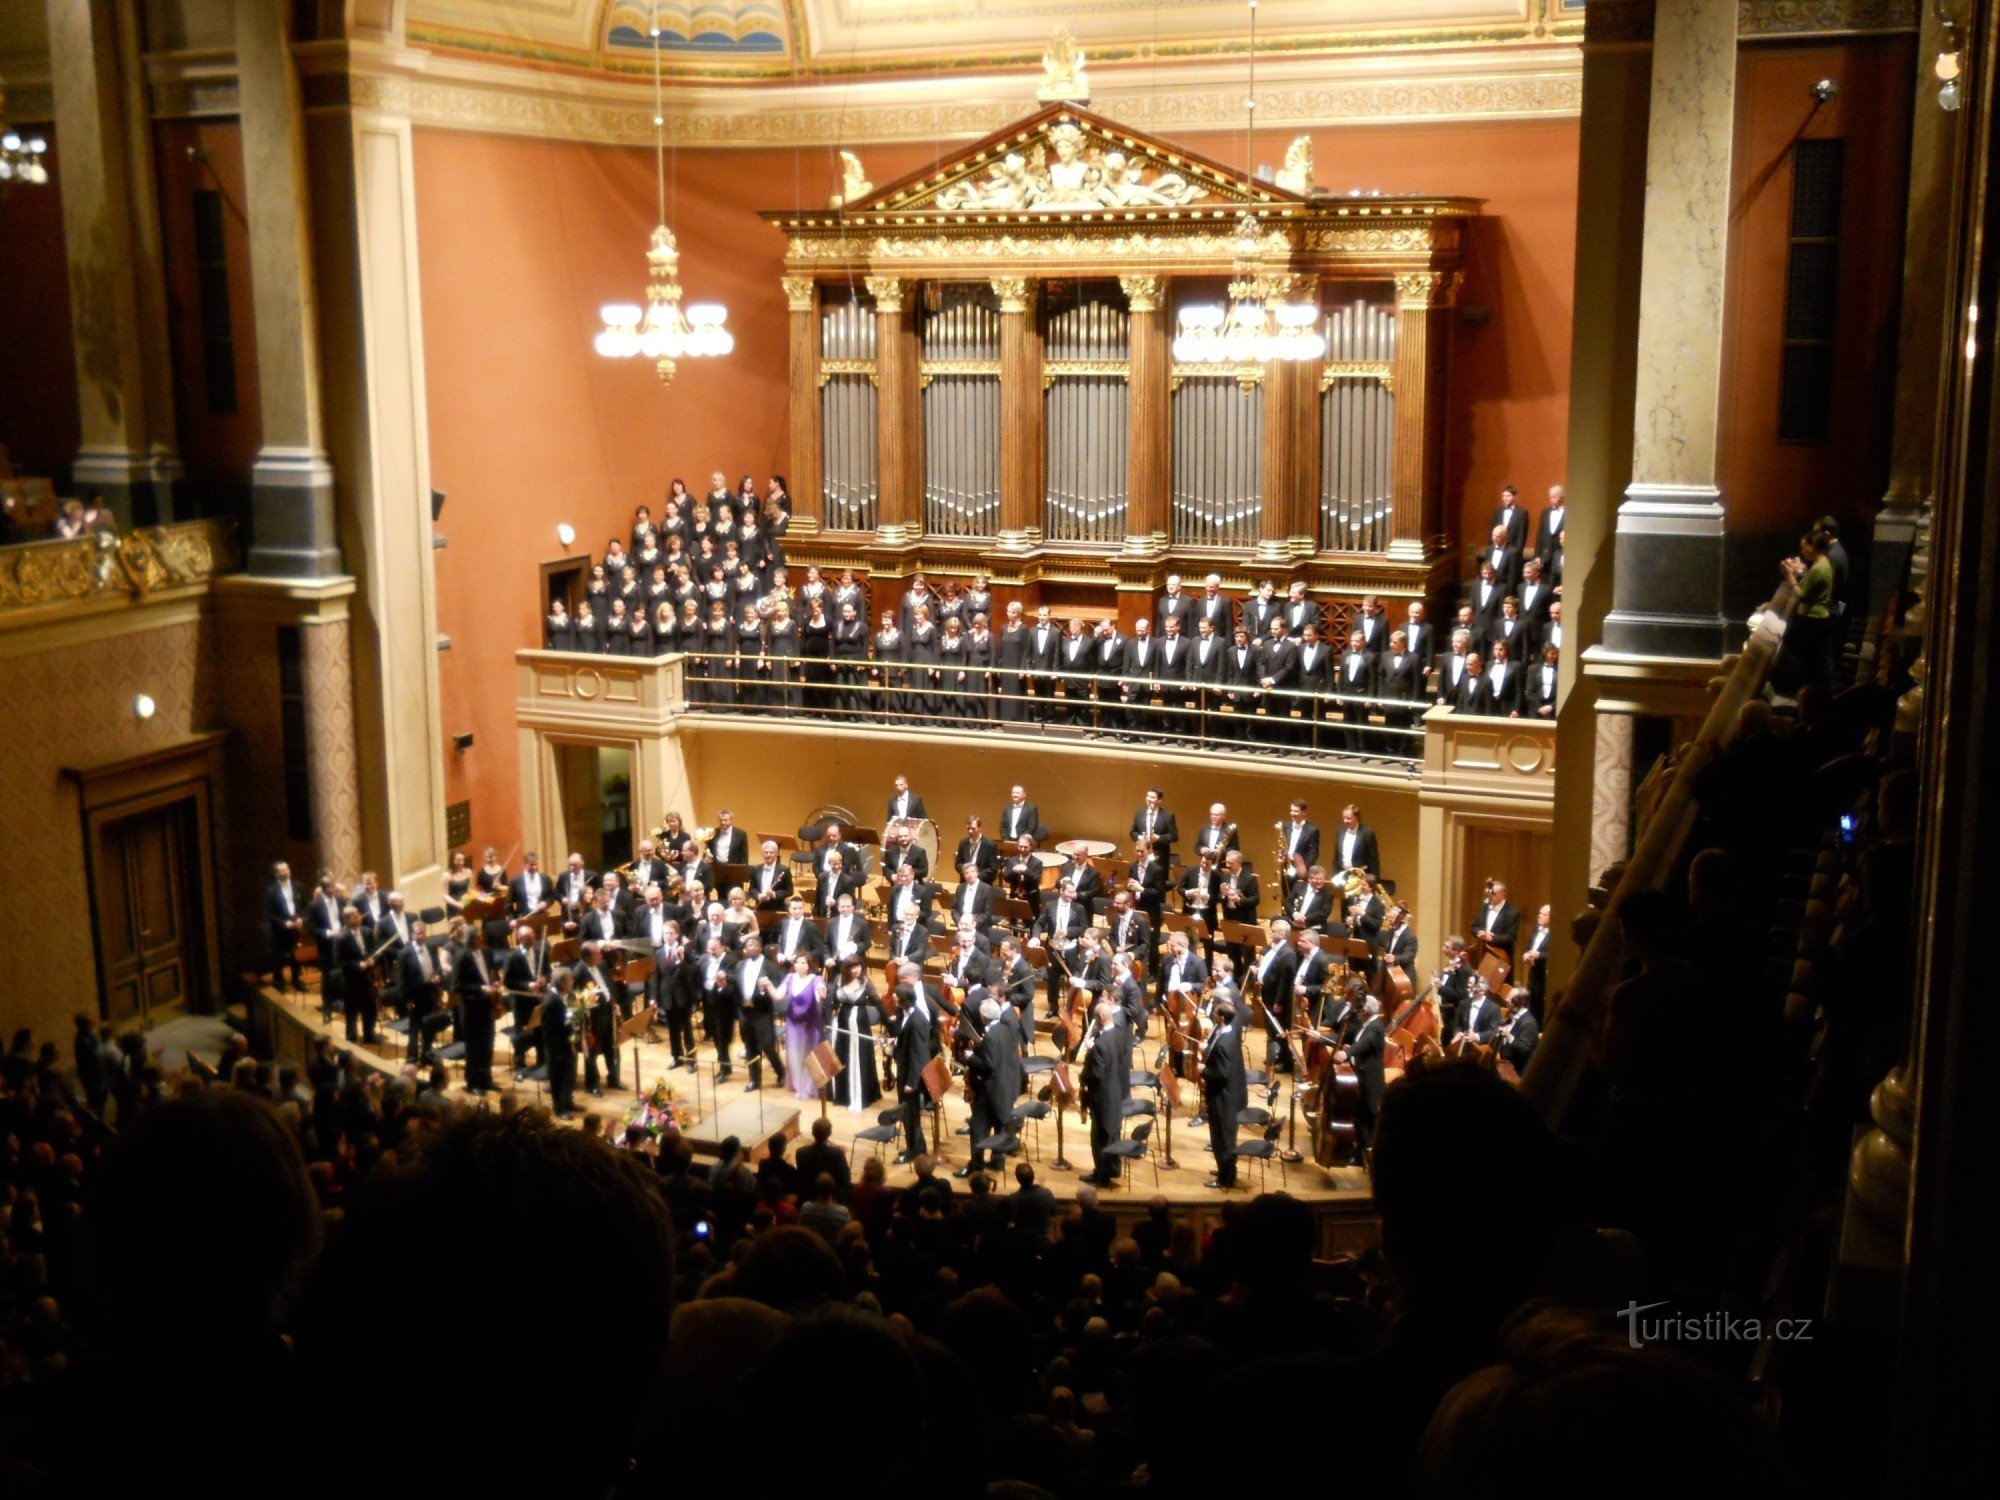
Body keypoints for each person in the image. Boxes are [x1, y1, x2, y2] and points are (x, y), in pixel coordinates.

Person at [962, 996, 1023, 1177]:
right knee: (1000, 1126)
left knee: (978, 1128)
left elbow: (988, 1065)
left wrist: (970, 1057)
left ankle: (976, 1166)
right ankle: (998, 1162)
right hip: (1008, 1086)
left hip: (991, 1091)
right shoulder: (1007, 1029)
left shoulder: (991, 1036)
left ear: (983, 1017)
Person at [1080, 999, 1131, 1185]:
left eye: (1095, 1018)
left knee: (1100, 1138)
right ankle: (1108, 1170)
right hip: (1115, 1089)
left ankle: (1102, 1175)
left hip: (1102, 1096)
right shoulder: (1117, 1034)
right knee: (1110, 1134)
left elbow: (1096, 1074)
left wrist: (1090, 1053)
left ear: (1101, 1017)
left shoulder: (1100, 1045)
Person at [1332, 996, 1386, 1164]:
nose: (1359, 1012)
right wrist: (1350, 1049)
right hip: (1361, 1074)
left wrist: (1347, 1054)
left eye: (1361, 1009)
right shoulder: (1369, 1024)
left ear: (1365, 1011)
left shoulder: (1376, 1027)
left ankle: (1369, 1155)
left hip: (1370, 1078)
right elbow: (1362, 1043)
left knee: (1369, 1116)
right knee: (1360, 1115)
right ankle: (1359, 1153)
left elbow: (1366, 1043)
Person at [892, 968, 936, 1162]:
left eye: (896, 996)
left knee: (910, 1115)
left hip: (911, 1075)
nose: (893, 999)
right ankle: (916, 1146)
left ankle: (914, 1151)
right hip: (905, 1069)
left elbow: (919, 1054)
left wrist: (912, 1082)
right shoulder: (907, 1015)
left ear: (903, 999)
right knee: (908, 1115)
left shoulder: (917, 1020)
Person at [1202, 994, 1246, 1188]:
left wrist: (1203, 1070)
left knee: (1222, 1139)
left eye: (1215, 1012)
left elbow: (1222, 1073)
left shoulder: (1223, 1044)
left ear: (1221, 1017)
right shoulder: (1228, 1033)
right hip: (1227, 1094)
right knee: (1223, 1138)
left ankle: (1225, 1179)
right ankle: (1224, 1170)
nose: (1212, 1013)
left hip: (1222, 1097)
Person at [829, 957, 881, 1112]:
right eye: (852, 967)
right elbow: (832, 1001)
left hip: (859, 1024)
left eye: (858, 966)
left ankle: (859, 1096)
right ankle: (841, 1094)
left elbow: (877, 1001)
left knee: (858, 1059)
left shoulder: (865, 981)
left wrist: (890, 1021)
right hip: (842, 1024)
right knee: (841, 1056)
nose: (856, 970)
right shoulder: (839, 979)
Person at [453, 924, 501, 1092]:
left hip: (488, 1005)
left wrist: (494, 983)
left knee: (488, 1043)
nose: (480, 940)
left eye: (481, 937)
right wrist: (481, 988)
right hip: (471, 1008)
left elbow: (492, 973)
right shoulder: (462, 956)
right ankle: (473, 1082)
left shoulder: (487, 953)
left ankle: (486, 1079)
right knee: (474, 1047)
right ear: (469, 940)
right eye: (477, 938)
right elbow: (457, 986)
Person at [780, 953, 824, 1104]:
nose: (800, 965)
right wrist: (767, 986)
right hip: (793, 1023)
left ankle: (807, 1087)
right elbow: (778, 995)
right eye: (798, 962)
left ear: (809, 965)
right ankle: (798, 1086)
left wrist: (821, 993)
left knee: (808, 1055)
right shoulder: (790, 977)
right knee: (794, 1056)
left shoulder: (816, 978)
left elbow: (820, 991)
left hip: (810, 1024)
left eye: (804, 963)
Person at [541, 970, 579, 1116]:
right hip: (557, 1049)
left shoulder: (567, 996)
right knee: (558, 1079)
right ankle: (559, 1108)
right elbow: (548, 1032)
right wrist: (555, 1053)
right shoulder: (551, 1002)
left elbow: (569, 1016)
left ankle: (568, 1102)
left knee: (569, 1075)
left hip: (568, 1044)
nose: (572, 982)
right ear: (562, 983)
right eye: (570, 980)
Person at [265, 860, 306, 991]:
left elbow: (306, 906)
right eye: (282, 870)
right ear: (276, 874)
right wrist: (283, 923)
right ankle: (279, 982)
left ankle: (297, 980)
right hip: (279, 930)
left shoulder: (298, 886)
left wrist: (302, 919)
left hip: (296, 927)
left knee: (296, 955)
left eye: (287, 869)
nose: (286, 872)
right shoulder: (271, 891)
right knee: (279, 957)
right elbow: (268, 914)